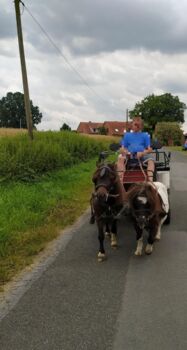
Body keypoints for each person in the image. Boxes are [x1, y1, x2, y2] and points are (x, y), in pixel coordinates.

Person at [117, 116, 154, 183]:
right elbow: (122, 148)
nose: (136, 126)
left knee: (151, 161)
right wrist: (124, 151)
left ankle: (150, 182)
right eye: (134, 124)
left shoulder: (145, 135)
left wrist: (142, 153)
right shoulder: (127, 135)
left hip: (141, 156)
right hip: (129, 155)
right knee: (120, 158)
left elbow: (149, 149)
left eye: (137, 124)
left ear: (141, 126)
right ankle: (120, 181)